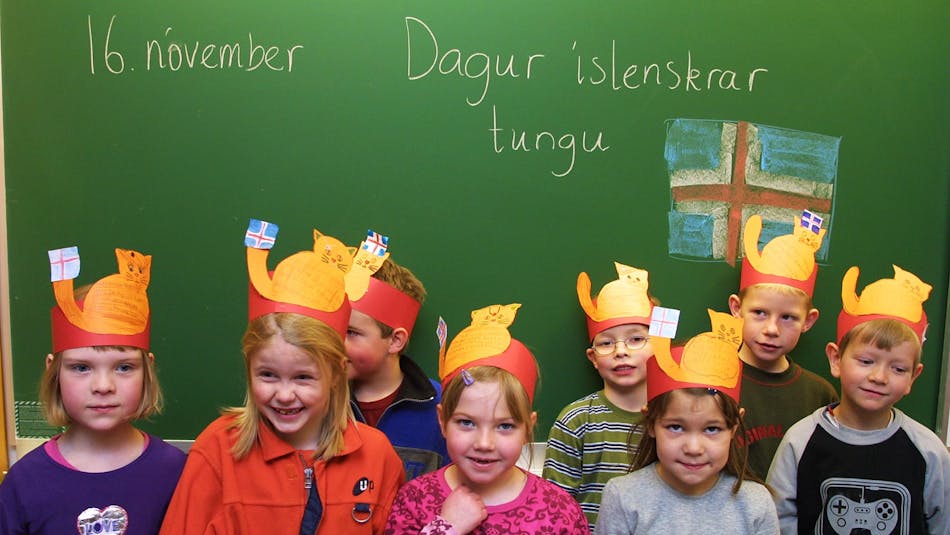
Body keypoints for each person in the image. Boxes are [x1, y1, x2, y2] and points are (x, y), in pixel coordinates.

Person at [159, 220, 404, 534]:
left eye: (303, 377)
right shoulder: (218, 449)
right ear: (248, 369)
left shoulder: (375, 455)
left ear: (336, 372)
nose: (285, 395)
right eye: (268, 375)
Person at [0, 246, 186, 534]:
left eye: (124, 367)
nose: (103, 386)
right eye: (81, 367)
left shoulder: (177, 472)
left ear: (147, 369)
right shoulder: (25, 482)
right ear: (54, 371)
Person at [767, 265, 950, 534]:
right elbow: (779, 520)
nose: (879, 376)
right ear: (836, 359)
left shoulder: (929, 451)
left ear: (913, 377)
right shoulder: (801, 440)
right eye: (866, 361)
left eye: (898, 369)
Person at [385, 303, 589, 534]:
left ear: (527, 428)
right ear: (442, 420)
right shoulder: (415, 500)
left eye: (505, 426)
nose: (484, 443)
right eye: (467, 423)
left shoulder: (559, 512)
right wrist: (444, 529)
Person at [597, 309, 779, 535]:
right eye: (676, 427)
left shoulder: (755, 504)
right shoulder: (623, 497)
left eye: (712, 429)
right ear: (651, 423)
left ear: (734, 427)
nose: (693, 448)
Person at [543, 262, 658, 530]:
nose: (621, 351)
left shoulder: (674, 418)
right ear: (593, 358)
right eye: (606, 343)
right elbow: (555, 505)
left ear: (659, 344)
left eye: (636, 339)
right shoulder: (576, 420)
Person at [727, 213, 837, 478]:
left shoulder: (819, 395)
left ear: (808, 321)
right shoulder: (714, 379)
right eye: (760, 313)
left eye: (787, 317)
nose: (772, 329)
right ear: (737, 309)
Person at [344, 231, 447, 479]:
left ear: (395, 340)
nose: (333, 342)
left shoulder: (441, 408)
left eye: (350, 332)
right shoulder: (314, 400)